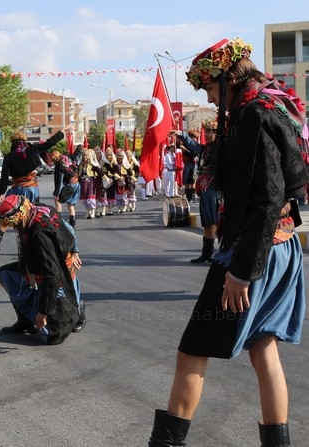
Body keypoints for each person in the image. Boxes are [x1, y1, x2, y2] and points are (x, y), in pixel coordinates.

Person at [146, 38, 308, 447]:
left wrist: (240, 271)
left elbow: (268, 198)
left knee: (191, 352)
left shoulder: (251, 114)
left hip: (253, 251)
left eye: (211, 88)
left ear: (227, 78)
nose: (210, 96)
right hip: (282, 246)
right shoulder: (275, 103)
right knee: (263, 349)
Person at [0, 195, 85, 345]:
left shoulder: (39, 234)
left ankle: (77, 307)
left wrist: (42, 314)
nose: (13, 227)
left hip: (58, 280)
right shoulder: (38, 207)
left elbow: (53, 276)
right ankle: (24, 320)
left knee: (52, 338)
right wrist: (74, 249)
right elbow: (67, 226)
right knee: (4, 274)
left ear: (21, 214)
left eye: (14, 222)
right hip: (39, 268)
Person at [0, 127, 67, 256]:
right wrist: (62, 132)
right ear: (24, 141)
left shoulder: (8, 157)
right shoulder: (31, 150)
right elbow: (48, 143)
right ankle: (30, 246)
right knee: (32, 217)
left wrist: (0, 193)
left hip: (16, 189)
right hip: (31, 189)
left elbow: (4, 176)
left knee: (7, 217)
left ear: (12, 143)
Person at [171, 120, 219, 264]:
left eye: (210, 131)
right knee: (207, 221)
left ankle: (223, 254)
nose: (208, 134)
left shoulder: (221, 147)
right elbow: (192, 145)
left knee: (218, 220)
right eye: (206, 131)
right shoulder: (205, 149)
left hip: (216, 188)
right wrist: (180, 134)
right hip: (204, 188)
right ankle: (207, 253)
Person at [50, 150, 80, 227]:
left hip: (70, 185)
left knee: (57, 200)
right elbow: (76, 155)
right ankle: (72, 223)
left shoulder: (59, 165)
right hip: (76, 184)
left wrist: (56, 193)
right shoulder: (67, 158)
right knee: (70, 204)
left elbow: (58, 180)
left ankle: (58, 220)